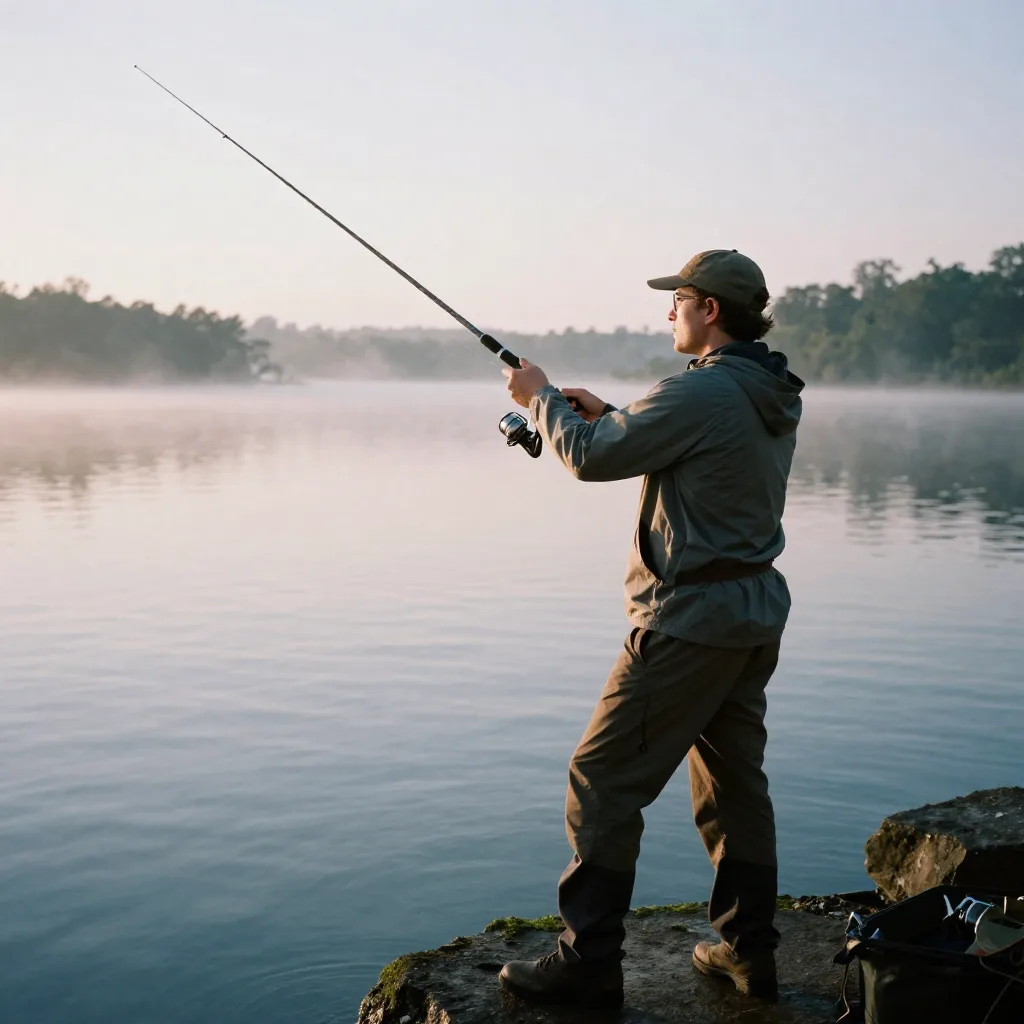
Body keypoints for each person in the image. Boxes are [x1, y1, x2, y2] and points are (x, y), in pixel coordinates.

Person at [498, 249, 804, 1009]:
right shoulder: (766, 388)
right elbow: (676, 445)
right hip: (750, 615)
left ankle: (588, 963)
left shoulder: (700, 391)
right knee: (735, 786)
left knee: (599, 781)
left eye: (680, 300)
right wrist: (613, 414)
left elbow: (591, 459)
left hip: (688, 624)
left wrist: (540, 399)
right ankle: (748, 953)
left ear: (710, 311)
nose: (669, 311)